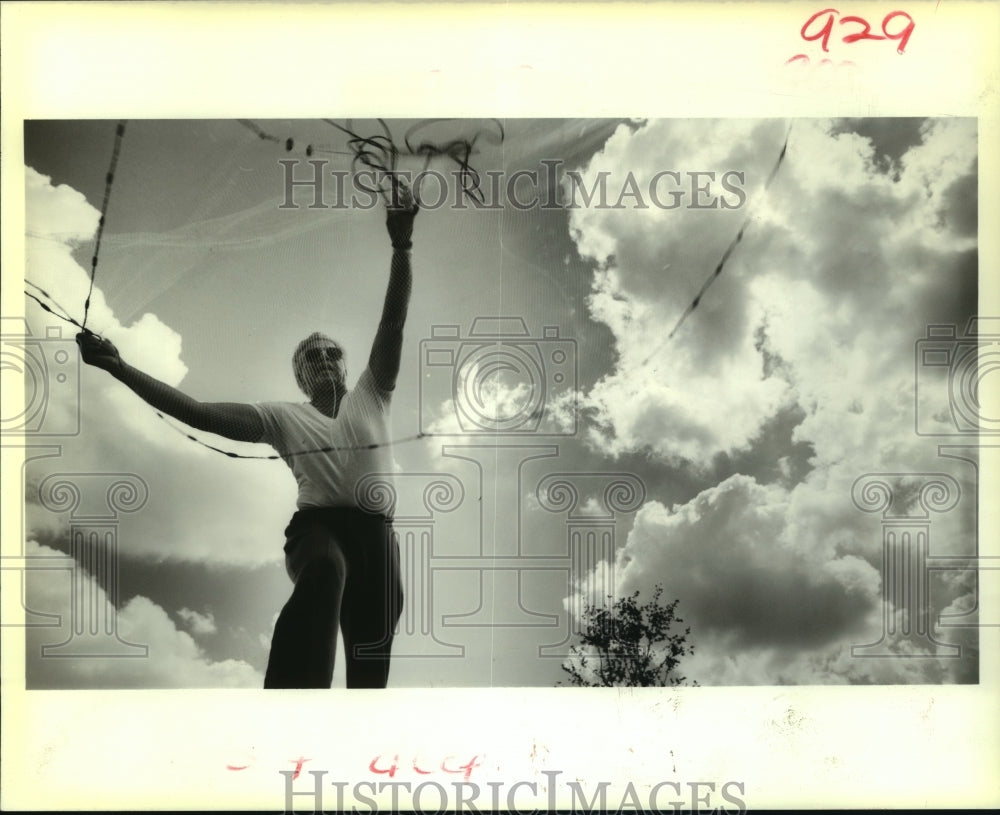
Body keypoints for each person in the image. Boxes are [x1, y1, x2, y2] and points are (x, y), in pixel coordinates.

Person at [76, 183, 419, 689]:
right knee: (323, 570)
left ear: (347, 366)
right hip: (319, 529)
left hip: (378, 536)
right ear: (300, 378)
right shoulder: (279, 416)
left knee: (371, 661)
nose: (322, 359)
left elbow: (393, 320)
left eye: (331, 353)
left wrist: (402, 245)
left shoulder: (373, 391)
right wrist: (120, 368)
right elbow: (198, 412)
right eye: (310, 357)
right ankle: (288, 704)